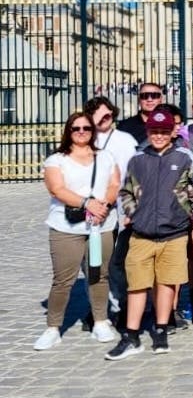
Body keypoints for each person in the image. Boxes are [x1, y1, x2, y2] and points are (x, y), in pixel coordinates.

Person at [105, 109, 193, 360]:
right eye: (154, 131)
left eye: (164, 131)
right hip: (142, 233)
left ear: (172, 132)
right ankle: (131, 334)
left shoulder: (183, 158)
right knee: (137, 284)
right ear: (148, 132)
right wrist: (130, 212)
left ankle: (161, 328)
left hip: (174, 233)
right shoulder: (138, 159)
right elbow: (126, 191)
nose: (159, 136)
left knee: (166, 282)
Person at [35, 112, 121, 351]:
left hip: (100, 225)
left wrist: (104, 204)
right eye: (76, 128)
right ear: (68, 131)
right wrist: (87, 203)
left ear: (93, 131)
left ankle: (100, 321)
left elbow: (114, 184)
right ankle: (53, 327)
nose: (82, 131)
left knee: (98, 274)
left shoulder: (105, 156)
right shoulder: (57, 159)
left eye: (86, 128)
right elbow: (56, 189)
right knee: (63, 278)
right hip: (67, 227)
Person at [84, 97, 138, 328]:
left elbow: (132, 175)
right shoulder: (84, 135)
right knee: (89, 261)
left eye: (108, 115)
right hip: (87, 207)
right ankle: (98, 307)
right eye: (99, 116)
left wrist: (129, 208)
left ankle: (120, 306)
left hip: (115, 207)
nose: (104, 120)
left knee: (114, 261)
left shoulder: (124, 140)